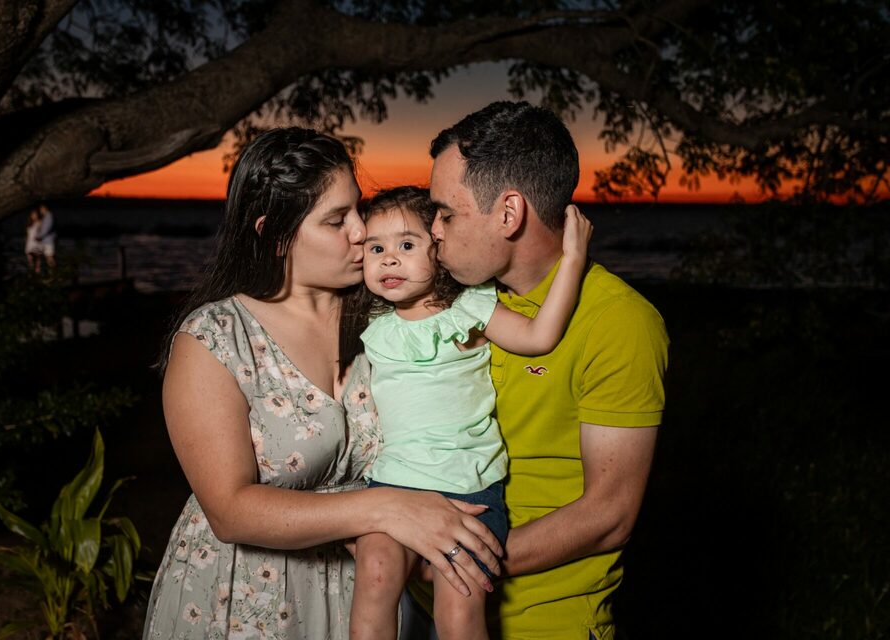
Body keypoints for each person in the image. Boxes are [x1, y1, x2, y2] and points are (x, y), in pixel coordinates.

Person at [144, 127, 503, 640]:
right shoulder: (216, 338)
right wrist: (390, 507)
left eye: (358, 210)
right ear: (275, 235)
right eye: (337, 220)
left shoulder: (390, 316)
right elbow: (230, 511)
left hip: (367, 592)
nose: (361, 230)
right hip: (247, 600)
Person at [423, 101, 670, 640]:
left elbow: (610, 514)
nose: (433, 230)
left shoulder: (617, 321)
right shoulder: (463, 301)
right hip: (424, 613)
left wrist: (453, 560)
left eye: (446, 213)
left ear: (508, 214)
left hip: (540, 621)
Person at [347, 187, 592, 640]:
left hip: (468, 488)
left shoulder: (468, 307)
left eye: (407, 244)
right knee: (375, 575)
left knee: (458, 611)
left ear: (439, 249)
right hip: (393, 488)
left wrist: (573, 261)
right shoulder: (373, 323)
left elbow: (538, 337)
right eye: (375, 249)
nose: (389, 259)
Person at [37, 204, 56, 271]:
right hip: (46, 240)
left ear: (45, 208)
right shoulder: (46, 217)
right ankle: (52, 272)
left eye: (41, 209)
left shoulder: (48, 216)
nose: (40, 211)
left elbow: (45, 229)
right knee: (48, 257)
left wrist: (39, 236)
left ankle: (54, 272)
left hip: (48, 241)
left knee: (49, 257)